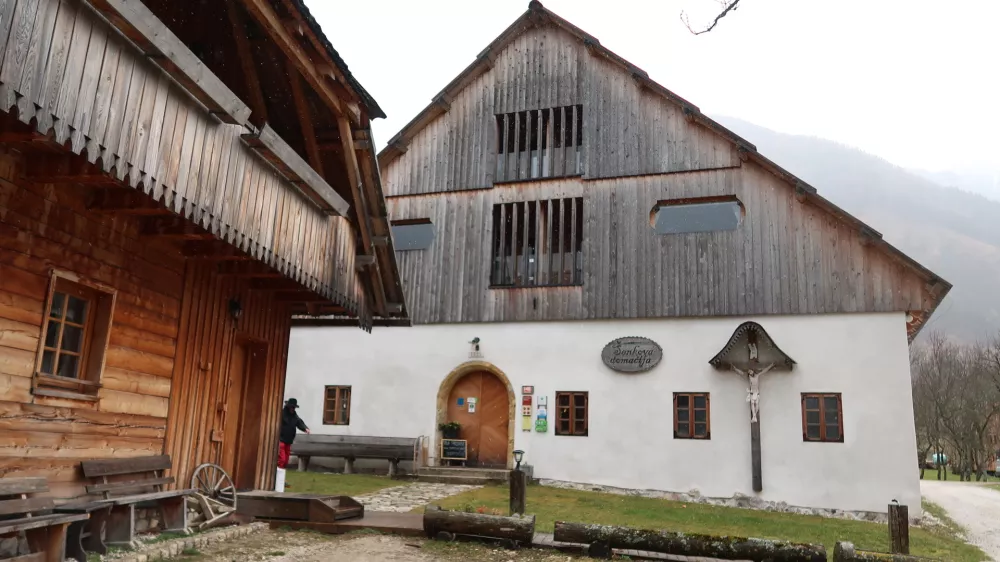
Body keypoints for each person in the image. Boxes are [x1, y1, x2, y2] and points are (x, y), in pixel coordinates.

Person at [276, 398, 309, 491]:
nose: (292, 409)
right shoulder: (282, 414)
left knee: (285, 461)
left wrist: (305, 428)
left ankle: (282, 479)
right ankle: (278, 479)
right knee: (281, 460)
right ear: (288, 406)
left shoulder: (294, 415)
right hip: (281, 440)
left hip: (288, 441)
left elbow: (299, 422)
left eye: (294, 408)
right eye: (291, 407)